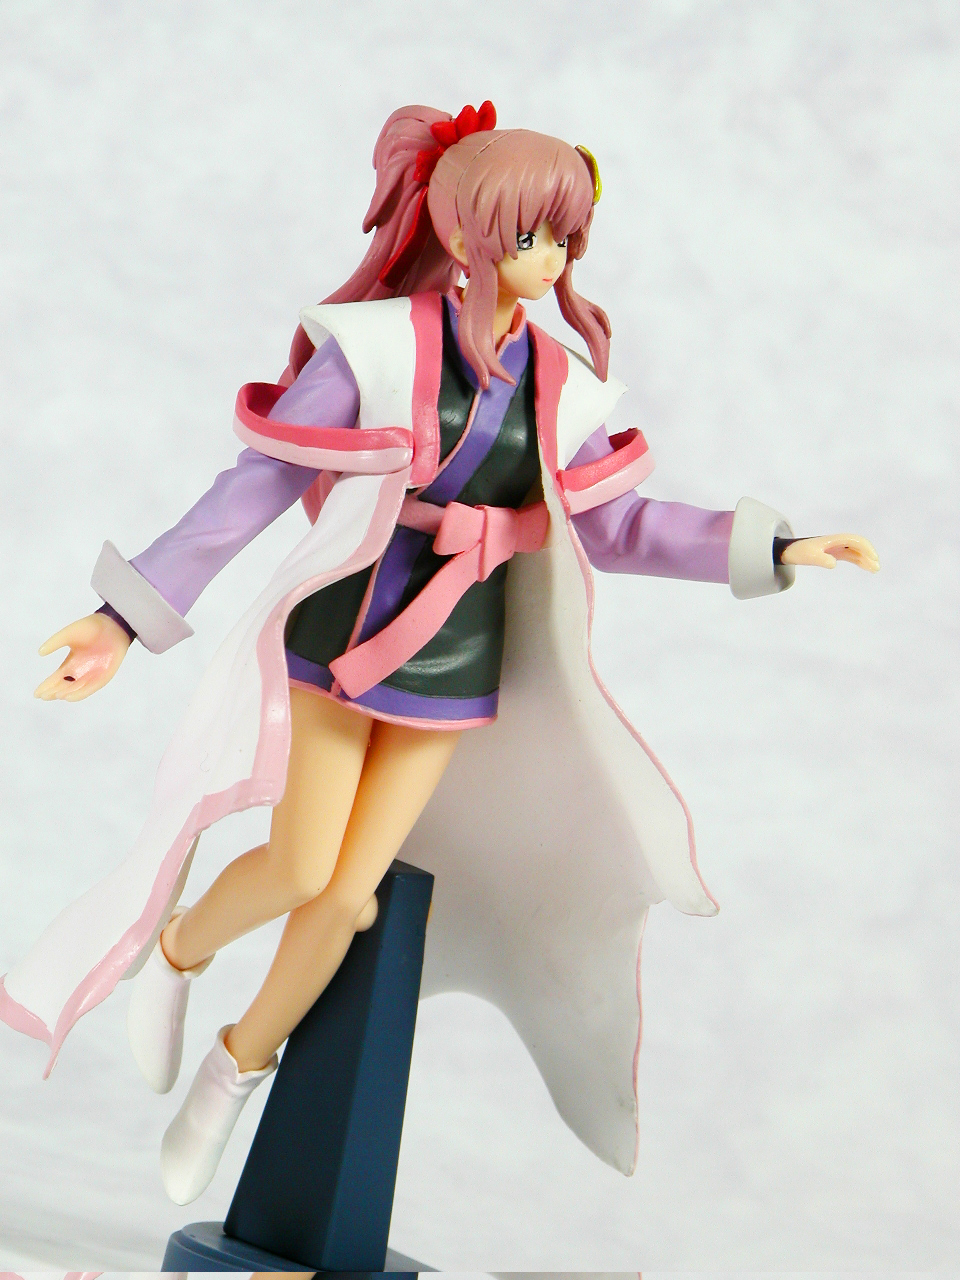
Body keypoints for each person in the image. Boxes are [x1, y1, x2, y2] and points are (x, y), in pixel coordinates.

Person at [1, 102, 878, 1204]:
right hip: (343, 633)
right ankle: (179, 948)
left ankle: (234, 1069)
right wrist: (123, 616)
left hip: (455, 659)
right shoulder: (377, 349)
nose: (552, 259)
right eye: (531, 235)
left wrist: (777, 546)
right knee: (302, 865)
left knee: (348, 898)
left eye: (566, 237)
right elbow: (255, 487)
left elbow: (620, 525)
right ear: (464, 232)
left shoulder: (560, 383)